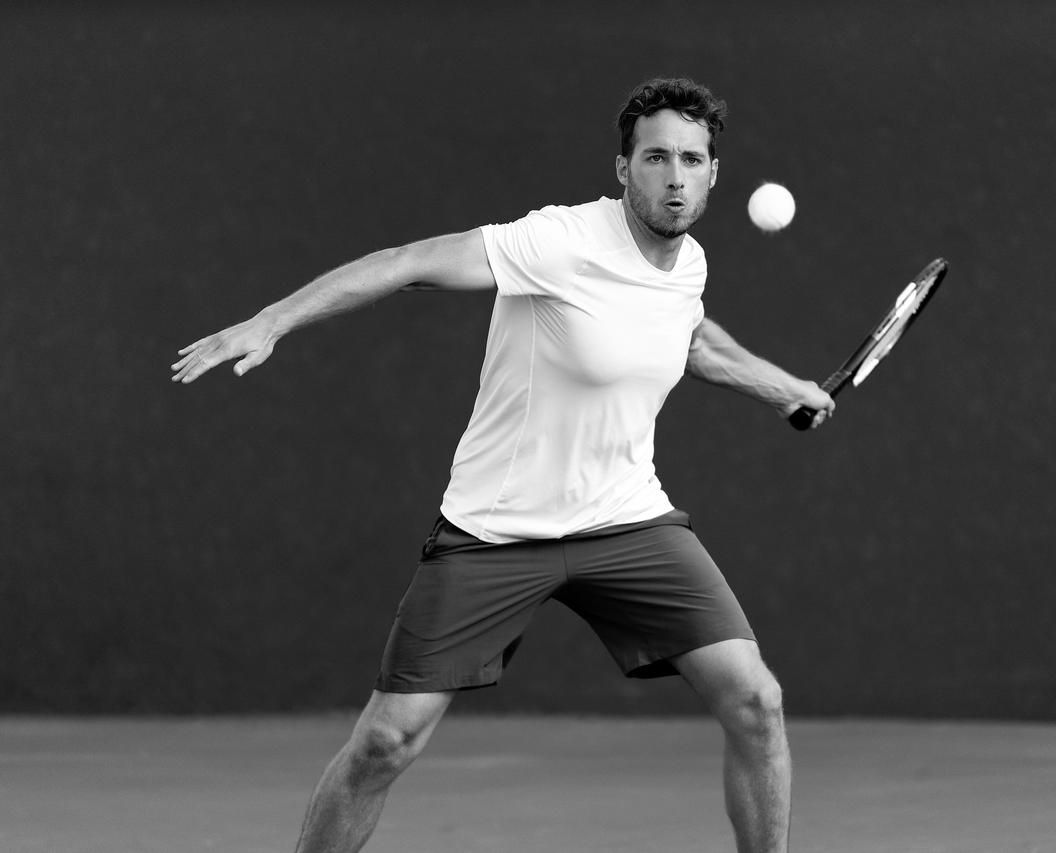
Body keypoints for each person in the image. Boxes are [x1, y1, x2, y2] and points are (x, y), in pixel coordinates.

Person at [171, 77, 835, 853]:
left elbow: (688, 337)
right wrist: (274, 318)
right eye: (656, 157)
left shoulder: (687, 262)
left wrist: (782, 387)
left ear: (714, 172)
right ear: (624, 169)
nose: (675, 176)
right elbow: (408, 260)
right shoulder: (557, 240)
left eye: (692, 159)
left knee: (756, 699)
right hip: (495, 529)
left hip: (625, 521)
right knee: (388, 740)